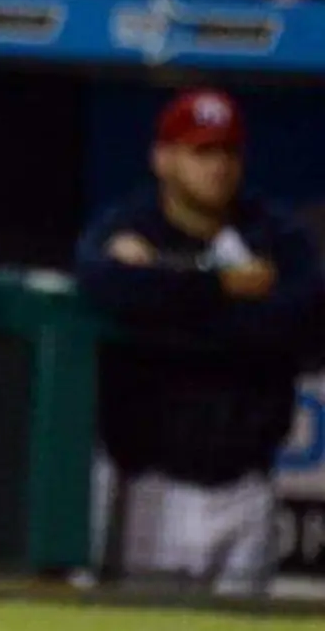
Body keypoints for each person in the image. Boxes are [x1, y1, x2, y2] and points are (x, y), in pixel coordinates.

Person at [75, 88, 325, 596]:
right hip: (149, 488)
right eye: (201, 151)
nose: (218, 166)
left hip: (245, 490)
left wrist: (165, 303)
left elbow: (299, 318)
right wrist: (219, 287)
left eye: (228, 151)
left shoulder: (273, 232)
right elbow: (99, 283)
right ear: (162, 158)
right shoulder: (130, 225)